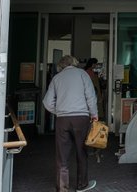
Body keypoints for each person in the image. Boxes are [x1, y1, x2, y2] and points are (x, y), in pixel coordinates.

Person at [43, 55, 98, 192]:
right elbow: (90, 96)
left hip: (62, 120)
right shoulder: (82, 74)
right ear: (75, 63)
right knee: (81, 152)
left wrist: (59, 111)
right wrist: (94, 114)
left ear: (61, 65)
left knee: (62, 155)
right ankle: (82, 185)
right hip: (81, 118)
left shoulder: (57, 78)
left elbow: (47, 102)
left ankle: (62, 188)